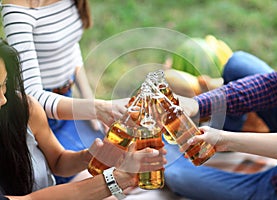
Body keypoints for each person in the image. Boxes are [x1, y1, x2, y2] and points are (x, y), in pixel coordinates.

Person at [0, 39, 166, 199]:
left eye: (4, 84)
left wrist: (89, 157)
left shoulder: (23, 108)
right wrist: (121, 177)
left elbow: (58, 162)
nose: (3, 99)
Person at [0, 0, 128, 184]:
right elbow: (31, 95)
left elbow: (71, 48)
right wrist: (97, 108)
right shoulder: (17, 9)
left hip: (68, 101)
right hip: (42, 117)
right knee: (104, 178)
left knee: (120, 155)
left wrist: (90, 102)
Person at [163, 51, 277, 200]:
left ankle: (157, 146)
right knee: (239, 63)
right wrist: (197, 104)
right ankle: (224, 127)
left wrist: (226, 140)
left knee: (177, 175)